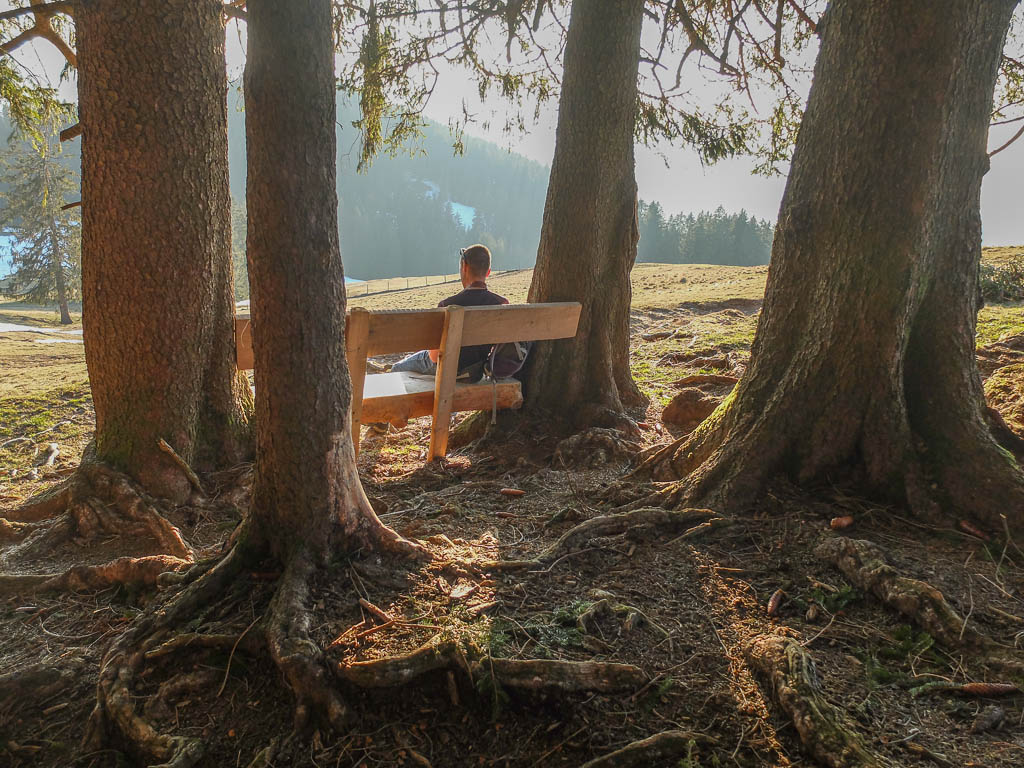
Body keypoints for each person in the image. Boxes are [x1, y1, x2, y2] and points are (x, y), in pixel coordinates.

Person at [390, 244, 509, 376]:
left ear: (464, 267)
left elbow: (434, 357)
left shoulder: (447, 305)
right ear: (488, 272)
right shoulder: (502, 304)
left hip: (447, 369)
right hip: (479, 368)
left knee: (396, 369)